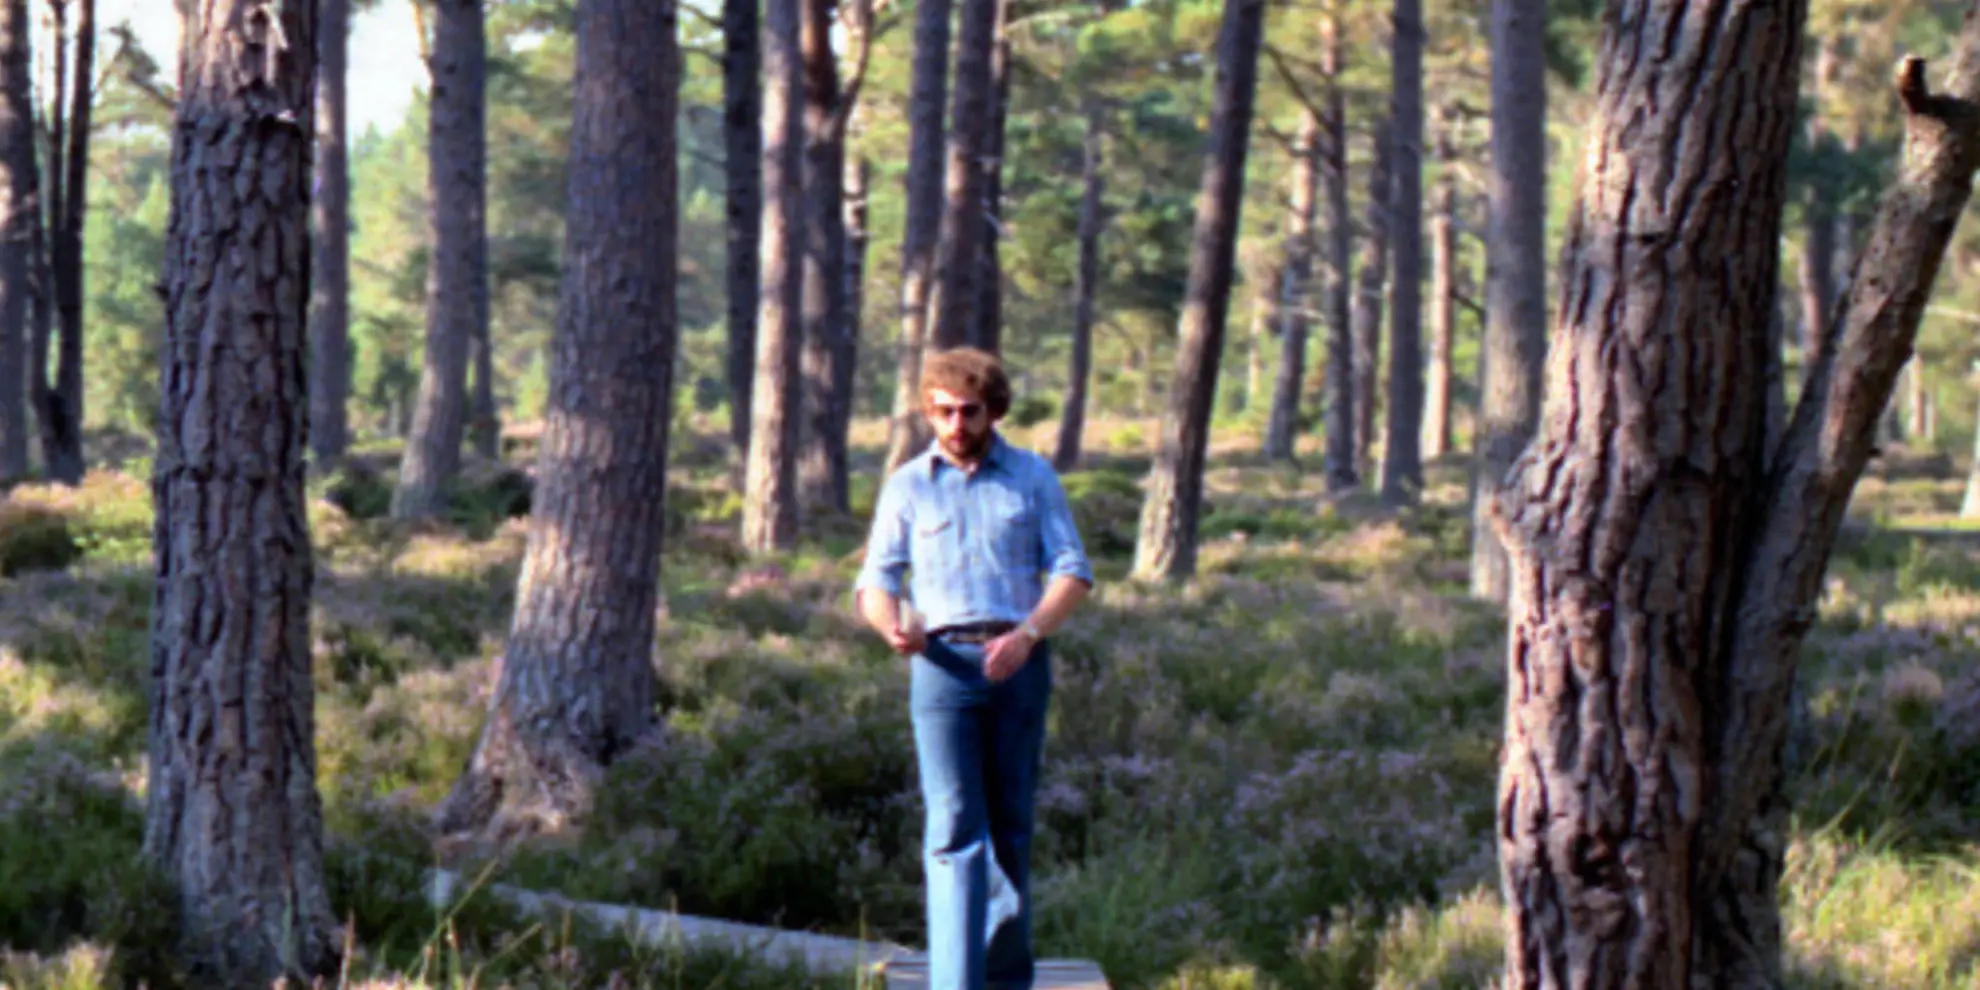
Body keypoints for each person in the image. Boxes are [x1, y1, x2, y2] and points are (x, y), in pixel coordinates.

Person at [854, 347, 1094, 990]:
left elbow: (1073, 572)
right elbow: (876, 581)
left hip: (1017, 662)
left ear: (993, 410)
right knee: (954, 826)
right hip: (940, 668)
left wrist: (1029, 633)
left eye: (968, 411)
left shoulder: (1032, 477)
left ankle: (1007, 978)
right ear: (927, 411)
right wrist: (891, 626)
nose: (955, 424)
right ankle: (955, 981)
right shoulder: (907, 483)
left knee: (1011, 822)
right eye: (942, 412)